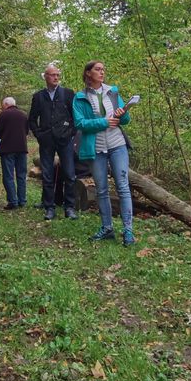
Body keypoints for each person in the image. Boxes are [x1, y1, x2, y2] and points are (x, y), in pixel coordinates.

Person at [72, 60, 136, 247]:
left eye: (103, 69)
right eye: (97, 69)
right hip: (96, 148)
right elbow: (80, 124)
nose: (102, 72)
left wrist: (121, 113)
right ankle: (107, 228)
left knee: (123, 187)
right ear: (88, 73)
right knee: (101, 190)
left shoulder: (112, 92)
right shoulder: (80, 97)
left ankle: (128, 231)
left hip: (117, 145)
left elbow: (125, 120)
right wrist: (104, 122)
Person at [28, 65, 77, 221]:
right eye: (52, 75)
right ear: (45, 77)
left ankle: (69, 208)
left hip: (65, 140)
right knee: (48, 175)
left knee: (69, 174)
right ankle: (49, 208)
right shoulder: (38, 96)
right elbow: (32, 119)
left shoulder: (68, 94)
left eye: (58, 75)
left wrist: (70, 133)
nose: (56, 77)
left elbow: (75, 117)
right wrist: (39, 135)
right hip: (47, 141)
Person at [0, 97, 29, 210]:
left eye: (3, 105)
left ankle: (13, 201)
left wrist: (4, 134)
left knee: (8, 176)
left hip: (7, 149)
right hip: (22, 148)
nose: (3, 107)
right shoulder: (23, 115)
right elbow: (27, 131)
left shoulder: (4, 115)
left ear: (6, 104)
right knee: (21, 175)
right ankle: (22, 200)